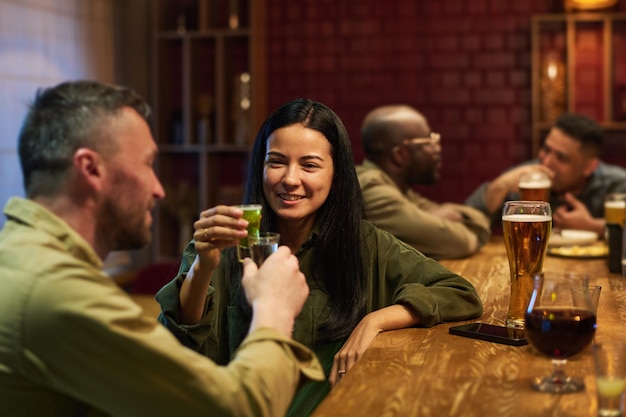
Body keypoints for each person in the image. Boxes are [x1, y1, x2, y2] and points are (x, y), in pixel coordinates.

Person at [0, 80, 324, 417]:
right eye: (147, 164)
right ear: (91, 168)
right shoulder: (58, 291)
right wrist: (274, 308)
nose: (159, 190)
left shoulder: (20, 256)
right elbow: (237, 409)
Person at [156, 98, 483, 417]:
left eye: (309, 165)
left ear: (336, 175)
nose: (290, 179)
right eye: (277, 161)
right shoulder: (229, 243)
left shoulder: (363, 243)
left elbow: (459, 293)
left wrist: (377, 320)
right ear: (261, 167)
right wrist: (204, 266)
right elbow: (177, 346)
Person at [356, 105, 491, 259]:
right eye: (428, 142)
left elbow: (477, 219)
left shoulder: (393, 185)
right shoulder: (372, 190)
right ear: (400, 155)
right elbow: (459, 242)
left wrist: (433, 218)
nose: (437, 148)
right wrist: (434, 219)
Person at [465, 112, 626, 235]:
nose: (546, 162)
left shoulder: (617, 183)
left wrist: (592, 226)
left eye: (561, 158)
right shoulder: (528, 179)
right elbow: (466, 219)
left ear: (589, 167)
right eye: (546, 149)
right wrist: (501, 185)